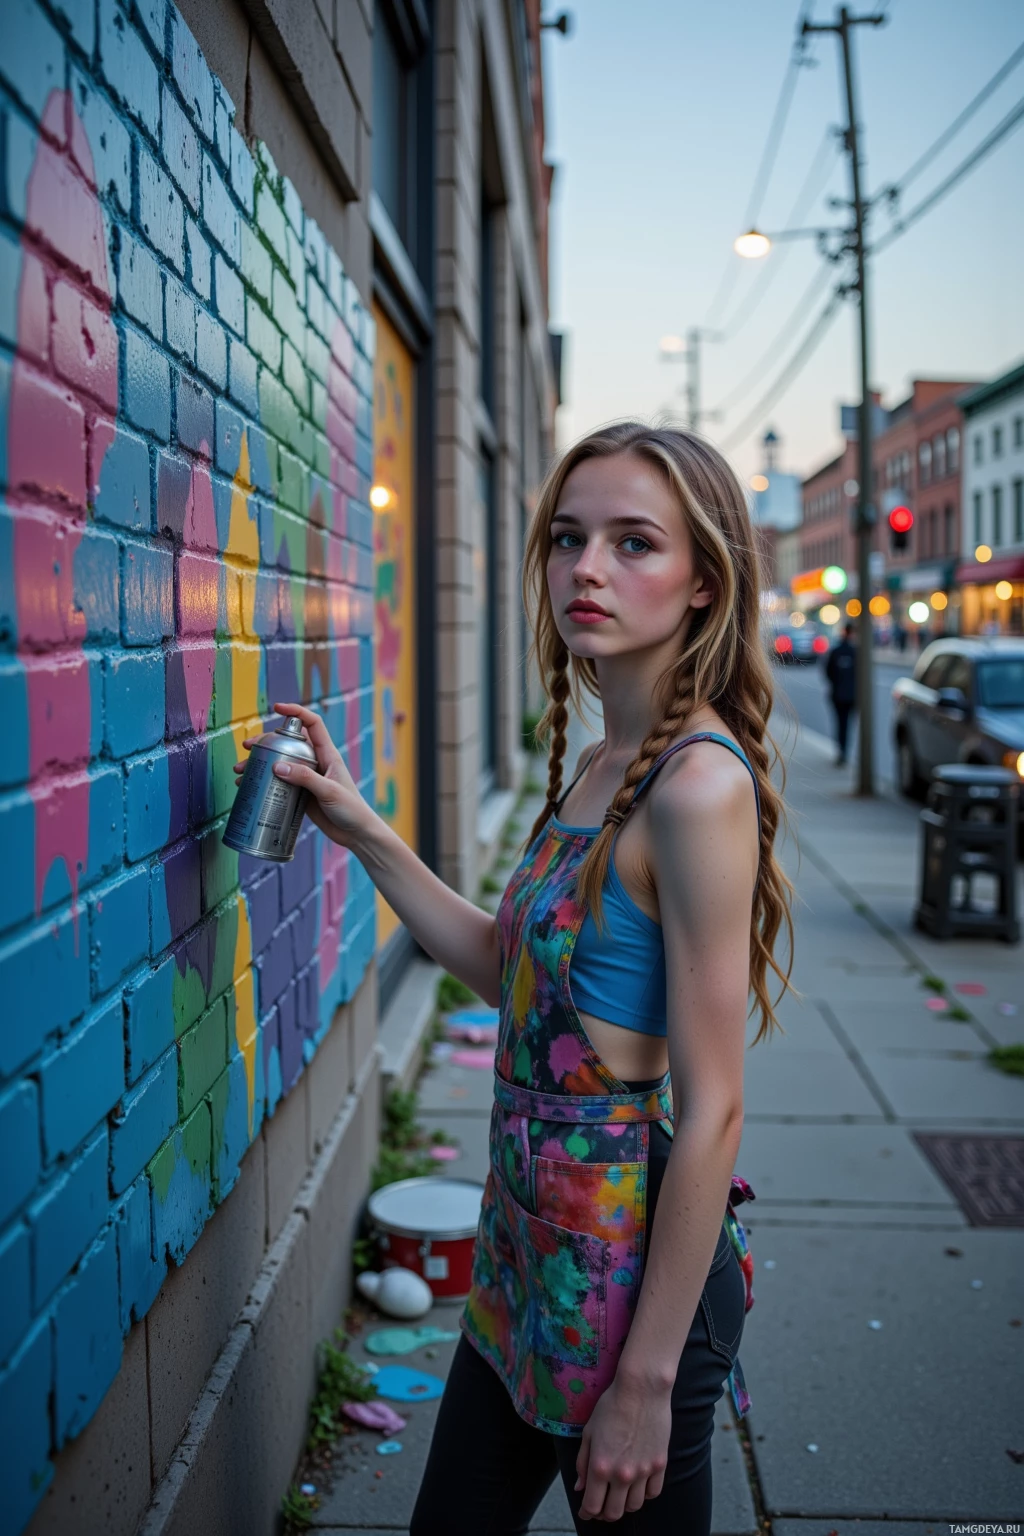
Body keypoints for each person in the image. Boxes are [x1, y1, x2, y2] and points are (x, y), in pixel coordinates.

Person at [236, 423, 793, 1533]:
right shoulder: (601, 764)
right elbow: (511, 970)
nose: (586, 568)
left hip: (635, 1297)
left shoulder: (694, 788)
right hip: (525, 1261)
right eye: (568, 538)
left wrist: (642, 1381)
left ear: (702, 584)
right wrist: (361, 828)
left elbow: (716, 1106)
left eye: (635, 543)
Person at [824, 621, 858, 766]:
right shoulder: (856, 652)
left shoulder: (836, 651)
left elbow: (828, 672)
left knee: (840, 723)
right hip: (851, 695)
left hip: (838, 694)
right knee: (847, 724)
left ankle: (841, 751)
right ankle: (844, 751)